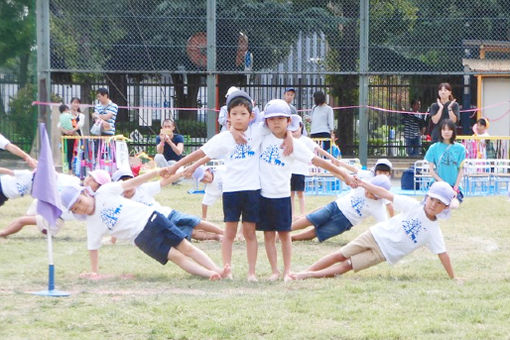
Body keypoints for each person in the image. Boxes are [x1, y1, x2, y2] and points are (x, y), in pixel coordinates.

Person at [165, 90, 292, 281]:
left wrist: (289, 135)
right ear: (228, 117)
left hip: (252, 191)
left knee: (250, 233)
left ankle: (251, 272)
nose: (239, 118)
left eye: (243, 114)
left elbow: (280, 127)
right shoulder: (224, 138)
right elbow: (201, 152)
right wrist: (177, 165)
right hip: (231, 191)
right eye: (234, 114)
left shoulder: (258, 130)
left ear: (252, 116)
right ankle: (228, 269)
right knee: (229, 233)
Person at [61, 168, 227, 280]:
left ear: (85, 193)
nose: (80, 208)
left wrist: (155, 172)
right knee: (176, 257)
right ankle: (209, 274)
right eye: (76, 209)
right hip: (142, 240)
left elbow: (133, 182)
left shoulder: (105, 191)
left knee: (186, 247)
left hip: (153, 219)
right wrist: (94, 272)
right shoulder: (92, 224)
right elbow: (93, 248)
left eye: (79, 202)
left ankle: (218, 269)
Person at [257, 100, 356, 281]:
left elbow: (318, 161)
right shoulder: (261, 136)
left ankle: (287, 270)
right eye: (271, 119)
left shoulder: (295, 144)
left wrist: (344, 175)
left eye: (281, 118)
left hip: (282, 197)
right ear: (266, 122)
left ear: (289, 121)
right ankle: (274, 271)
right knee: (268, 235)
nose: (276, 122)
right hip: (263, 196)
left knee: (285, 235)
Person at [292, 180, 461, 283]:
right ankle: (304, 272)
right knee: (340, 255)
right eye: (432, 199)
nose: (433, 204)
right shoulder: (412, 205)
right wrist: (365, 184)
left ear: (445, 208)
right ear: (426, 197)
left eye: (439, 203)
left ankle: (308, 276)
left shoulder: (433, 230)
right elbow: (386, 194)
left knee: (347, 265)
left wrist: (453, 277)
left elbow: (443, 254)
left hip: (384, 253)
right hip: (374, 235)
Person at [111, 168, 223, 242]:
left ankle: (225, 233)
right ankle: (217, 237)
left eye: (129, 182)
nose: (128, 187)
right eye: (123, 184)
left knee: (196, 222)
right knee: (192, 234)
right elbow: (117, 222)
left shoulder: (143, 188)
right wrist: (113, 240)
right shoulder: (121, 202)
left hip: (168, 214)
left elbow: (164, 182)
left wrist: (181, 173)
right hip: (158, 226)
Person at [291, 175, 390, 242]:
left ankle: (292, 238)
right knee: (312, 219)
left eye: (374, 196)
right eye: (370, 191)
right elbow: (346, 176)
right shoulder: (361, 184)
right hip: (336, 206)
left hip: (344, 222)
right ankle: (285, 230)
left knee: (317, 232)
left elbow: (384, 225)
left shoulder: (379, 207)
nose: (369, 195)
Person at [289, 114, 343, 218]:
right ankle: (292, 214)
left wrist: (332, 158)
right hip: (290, 171)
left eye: (295, 129)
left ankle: (302, 214)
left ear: (301, 127)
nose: (292, 132)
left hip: (300, 171)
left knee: (300, 193)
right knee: (290, 194)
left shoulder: (306, 141)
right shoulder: (288, 140)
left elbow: (319, 150)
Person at [0, 173, 80, 238]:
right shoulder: (73, 181)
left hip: (55, 218)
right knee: (24, 218)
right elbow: (54, 175)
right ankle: (5, 231)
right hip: (46, 203)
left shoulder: (80, 200)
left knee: (22, 220)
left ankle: (3, 233)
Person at [425, 119, 466, 204]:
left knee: (453, 205)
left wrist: (455, 188)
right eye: (444, 129)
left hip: (453, 186)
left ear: (453, 131)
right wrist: (442, 183)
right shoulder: (433, 148)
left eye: (449, 129)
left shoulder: (460, 149)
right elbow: (431, 171)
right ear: (440, 131)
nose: (446, 132)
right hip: (438, 184)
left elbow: (461, 170)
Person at [59, 104, 77, 171]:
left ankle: (66, 166)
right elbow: (74, 124)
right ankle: (69, 165)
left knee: (65, 151)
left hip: (64, 135)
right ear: (66, 109)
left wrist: (66, 131)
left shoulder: (60, 117)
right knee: (70, 151)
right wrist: (72, 131)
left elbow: (60, 126)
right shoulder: (70, 116)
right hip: (71, 135)